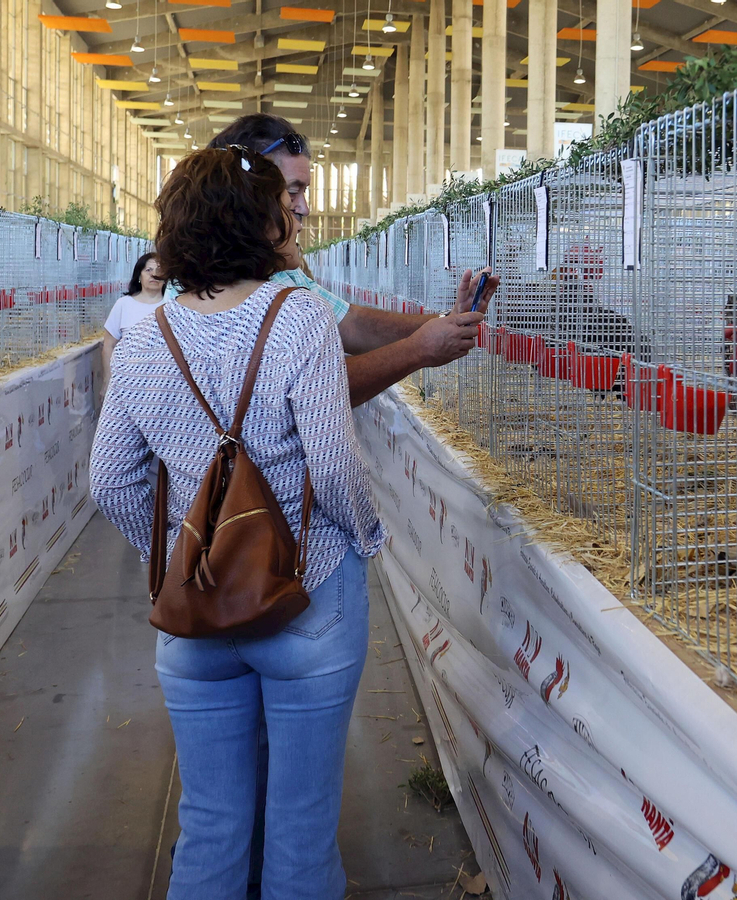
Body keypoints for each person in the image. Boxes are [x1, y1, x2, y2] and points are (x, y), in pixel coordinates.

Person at [90, 146, 393, 899]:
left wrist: (177, 556)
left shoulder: (144, 337)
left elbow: (110, 481)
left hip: (194, 613)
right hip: (307, 593)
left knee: (213, 825)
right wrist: (363, 536)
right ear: (259, 221)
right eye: (286, 205)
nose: (298, 215)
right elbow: (332, 465)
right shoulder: (297, 319)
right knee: (301, 830)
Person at [160, 113, 499, 406]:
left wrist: (446, 321)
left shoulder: (284, 278)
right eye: (290, 193)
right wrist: (417, 350)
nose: (304, 208)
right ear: (246, 197)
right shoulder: (204, 295)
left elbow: (350, 323)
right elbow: (309, 394)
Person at [101, 252, 167, 385]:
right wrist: (108, 380)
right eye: (148, 270)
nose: (154, 274)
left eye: (159, 270)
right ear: (139, 276)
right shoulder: (123, 304)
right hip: (127, 383)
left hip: (163, 385)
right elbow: (109, 345)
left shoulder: (173, 306)